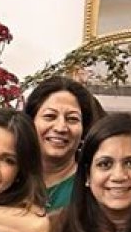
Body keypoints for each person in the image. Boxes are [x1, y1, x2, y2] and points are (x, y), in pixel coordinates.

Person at [24, 74, 103, 212]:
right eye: (50, 116)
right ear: (30, 122)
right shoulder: (11, 177)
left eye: (72, 119)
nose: (61, 128)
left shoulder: (93, 186)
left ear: (84, 129)